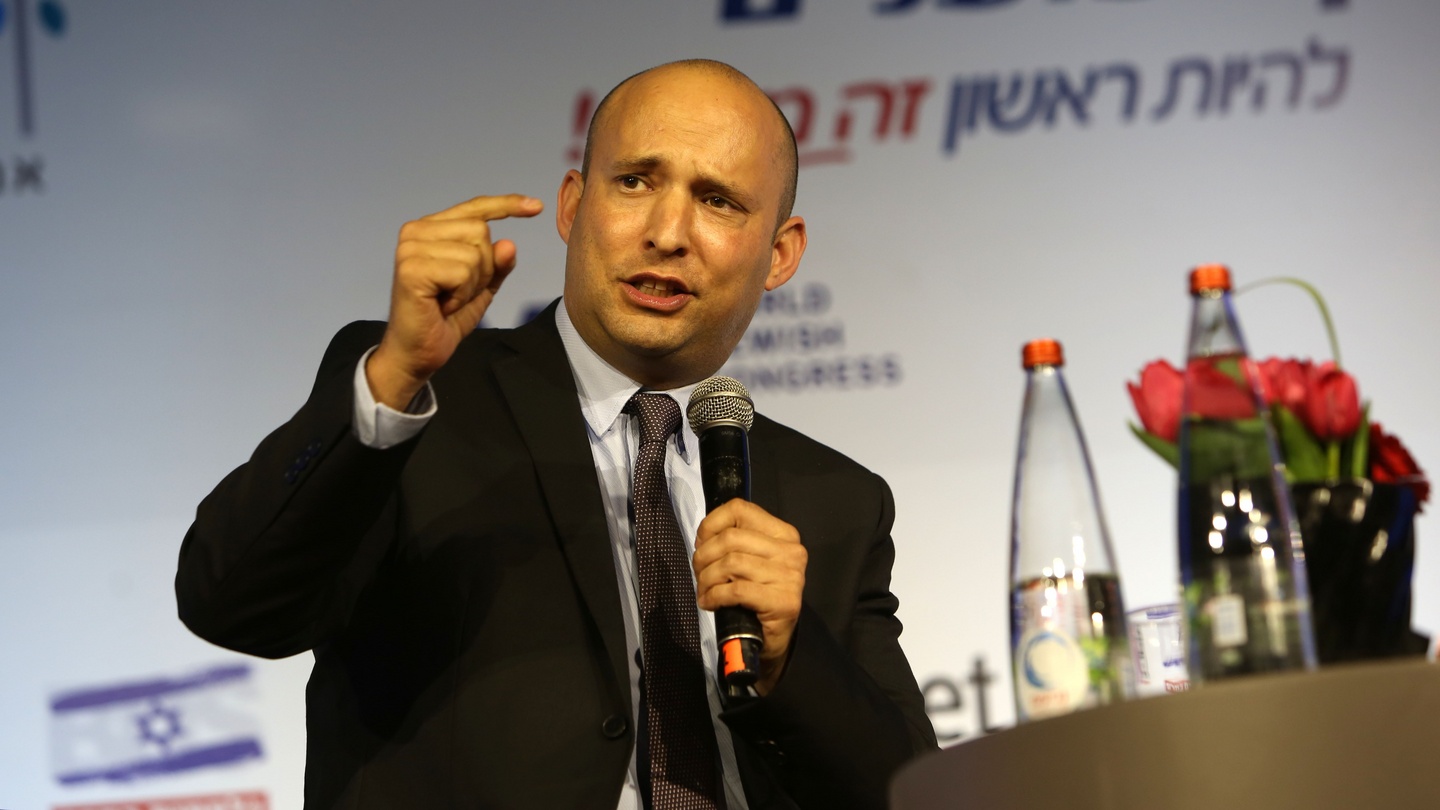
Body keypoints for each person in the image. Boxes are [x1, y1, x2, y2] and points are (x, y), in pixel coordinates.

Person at [176, 59, 936, 809]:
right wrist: (393, 380)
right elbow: (232, 605)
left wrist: (792, 657)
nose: (667, 233)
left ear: (780, 252)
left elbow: (911, 794)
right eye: (634, 182)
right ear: (574, 206)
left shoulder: (836, 500)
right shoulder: (418, 402)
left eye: (717, 201)